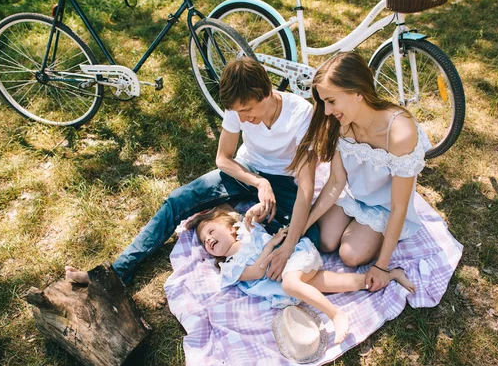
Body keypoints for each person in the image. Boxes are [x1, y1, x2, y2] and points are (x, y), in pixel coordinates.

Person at [66, 57, 319, 285]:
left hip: (285, 181)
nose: (242, 119)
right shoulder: (237, 108)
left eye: (247, 111)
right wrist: (259, 183)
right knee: (178, 199)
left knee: (314, 237)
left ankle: (234, 212)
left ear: (265, 93)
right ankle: (118, 272)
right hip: (247, 170)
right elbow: (223, 158)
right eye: (238, 113)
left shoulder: (299, 113)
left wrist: (285, 242)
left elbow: (307, 186)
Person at [289, 51, 432, 293]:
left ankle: (385, 259)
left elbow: (399, 206)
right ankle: (350, 226)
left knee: (349, 255)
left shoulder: (399, 132)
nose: (326, 111)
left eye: (331, 101)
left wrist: (383, 266)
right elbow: (335, 182)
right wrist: (301, 226)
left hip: (386, 207)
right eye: (323, 102)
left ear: (358, 93)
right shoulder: (343, 124)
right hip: (355, 196)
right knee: (324, 241)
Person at [187, 205, 415, 344]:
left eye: (210, 231)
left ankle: (336, 315)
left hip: (295, 260)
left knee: (290, 284)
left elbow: (247, 212)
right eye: (204, 241)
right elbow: (258, 271)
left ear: (229, 228)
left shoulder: (248, 231)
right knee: (337, 282)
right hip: (291, 277)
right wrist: (271, 244)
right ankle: (391, 275)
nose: (207, 240)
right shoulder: (229, 268)